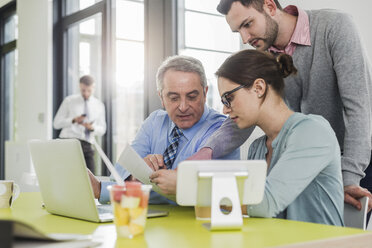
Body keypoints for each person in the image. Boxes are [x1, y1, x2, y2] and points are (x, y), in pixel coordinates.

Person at [190, 0, 372, 211]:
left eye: (248, 24)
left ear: (269, 6)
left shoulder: (334, 26)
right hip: (298, 160)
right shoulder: (262, 54)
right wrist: (207, 150)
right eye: (238, 31)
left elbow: (359, 108)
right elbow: (244, 111)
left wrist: (349, 178)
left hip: (354, 158)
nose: (245, 38)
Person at [88, 55, 240, 204]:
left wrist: (103, 189)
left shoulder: (221, 131)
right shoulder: (155, 121)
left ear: (205, 93)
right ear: (161, 97)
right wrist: (135, 175)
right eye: (174, 98)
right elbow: (118, 175)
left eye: (192, 97)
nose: (183, 107)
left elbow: (196, 193)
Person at [217, 49, 344, 225]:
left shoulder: (312, 132)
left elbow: (263, 204)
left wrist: (190, 188)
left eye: (228, 98)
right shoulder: (257, 148)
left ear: (259, 88)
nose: (225, 109)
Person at [53, 75, 106, 172]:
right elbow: (56, 124)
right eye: (83, 90)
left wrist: (92, 127)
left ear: (93, 88)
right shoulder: (69, 101)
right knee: (66, 175)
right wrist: (73, 120)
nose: (86, 93)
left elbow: (102, 129)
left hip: (86, 144)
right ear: (79, 87)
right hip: (67, 142)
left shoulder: (99, 105)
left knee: (91, 178)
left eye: (89, 90)